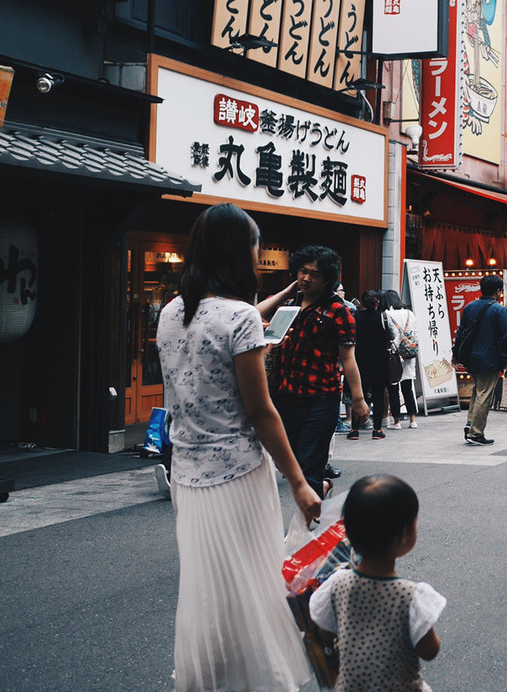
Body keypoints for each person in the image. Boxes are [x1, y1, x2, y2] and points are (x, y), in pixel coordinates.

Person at [156, 203, 322, 691]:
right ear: (240, 251)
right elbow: (260, 410)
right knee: (255, 580)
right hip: (239, 471)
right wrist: (298, 482)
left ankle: (210, 677)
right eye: (254, 245)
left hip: (186, 471)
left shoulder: (170, 312)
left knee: (206, 585)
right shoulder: (241, 317)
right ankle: (261, 679)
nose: (257, 253)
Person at [310, 475, 444, 692]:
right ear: (405, 536)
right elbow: (430, 651)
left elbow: (324, 629)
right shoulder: (411, 596)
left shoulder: (336, 583)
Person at [262, 245, 369, 499]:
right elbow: (254, 315)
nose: (306, 278)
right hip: (285, 396)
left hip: (321, 399)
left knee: (310, 468)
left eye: (315, 274)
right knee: (286, 464)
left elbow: (348, 359)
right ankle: (321, 487)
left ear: (327, 279)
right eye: (302, 271)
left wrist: (359, 400)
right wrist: (286, 291)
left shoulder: (339, 311)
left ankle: (304, 529)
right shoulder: (289, 305)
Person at [457, 274, 507, 445]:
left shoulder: (469, 307)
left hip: (472, 359)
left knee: (477, 391)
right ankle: (476, 433)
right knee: (484, 395)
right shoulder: (499, 310)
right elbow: (504, 338)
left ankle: (470, 423)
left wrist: (456, 355)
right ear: (498, 291)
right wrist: (506, 360)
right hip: (490, 359)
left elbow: (461, 333)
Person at [349, 290, 390, 440]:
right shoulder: (383, 318)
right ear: (377, 302)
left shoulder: (355, 318)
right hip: (380, 362)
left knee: (359, 395)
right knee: (378, 396)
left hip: (359, 362)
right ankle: (377, 430)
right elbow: (390, 336)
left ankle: (354, 430)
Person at [383, 289, 420, 429]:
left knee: (393, 388)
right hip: (409, 353)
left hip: (394, 355)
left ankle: (396, 421)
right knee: (408, 387)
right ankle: (413, 420)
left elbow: (389, 336)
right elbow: (415, 334)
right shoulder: (409, 313)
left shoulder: (387, 314)